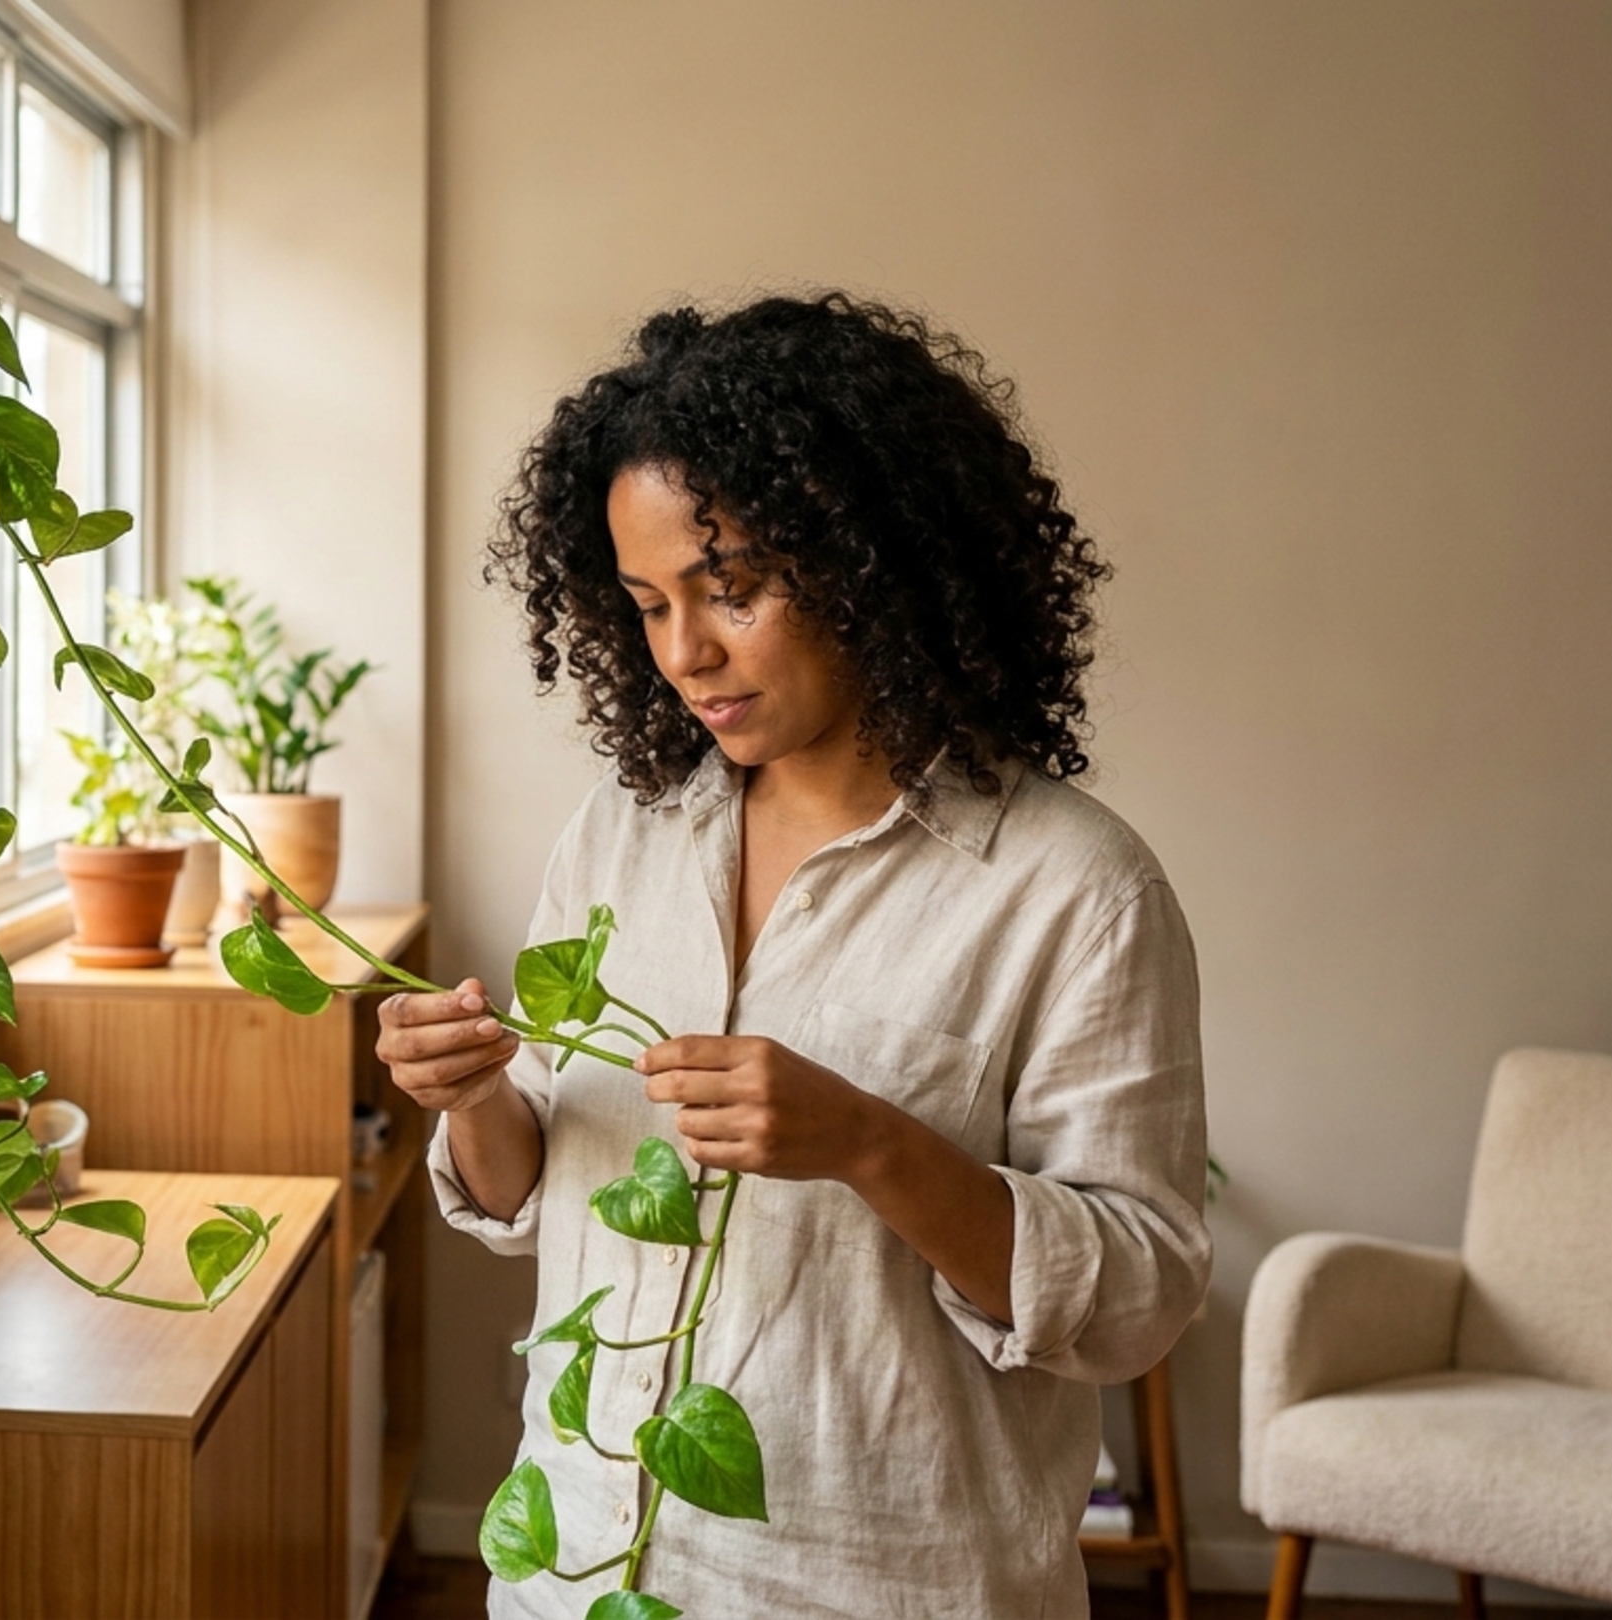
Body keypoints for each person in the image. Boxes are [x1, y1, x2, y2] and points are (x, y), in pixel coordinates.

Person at [379, 294, 1209, 1618]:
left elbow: (1138, 1298)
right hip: (579, 1571)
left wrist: (873, 1145)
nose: (685, 652)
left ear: (878, 563)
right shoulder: (624, 837)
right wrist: (473, 1093)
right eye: (648, 605)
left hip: (873, 1587)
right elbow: (534, 1186)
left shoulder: (1075, 890)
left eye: (736, 590)